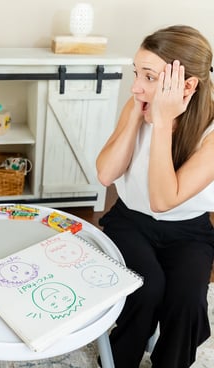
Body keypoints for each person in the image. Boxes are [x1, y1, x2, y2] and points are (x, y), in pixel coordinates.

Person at [96, 25, 214, 368]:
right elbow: (106, 174)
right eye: (137, 73)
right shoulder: (138, 106)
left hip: (189, 231)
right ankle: (117, 360)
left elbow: (165, 199)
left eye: (149, 76)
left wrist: (162, 123)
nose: (136, 86)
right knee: (146, 289)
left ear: (187, 85)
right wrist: (137, 112)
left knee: (188, 300)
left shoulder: (210, 131)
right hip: (130, 221)